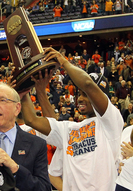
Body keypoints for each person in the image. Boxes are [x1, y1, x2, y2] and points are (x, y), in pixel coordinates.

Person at [20, 48, 124, 191]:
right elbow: (31, 120)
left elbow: (87, 84)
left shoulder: (111, 121)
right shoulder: (69, 129)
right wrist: (24, 91)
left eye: (85, 95)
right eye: (79, 94)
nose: (80, 98)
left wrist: (63, 61)